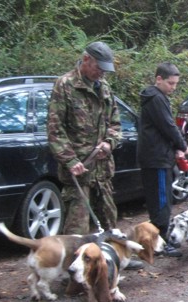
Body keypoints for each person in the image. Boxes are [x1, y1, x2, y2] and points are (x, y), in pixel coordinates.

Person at [48, 41, 121, 236]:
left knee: (109, 223)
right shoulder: (65, 85)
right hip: (78, 173)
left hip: (102, 170)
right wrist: (70, 160)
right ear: (86, 59)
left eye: (105, 70)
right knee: (76, 229)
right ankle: (73, 264)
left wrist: (109, 143)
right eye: (99, 68)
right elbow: (55, 130)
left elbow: (115, 124)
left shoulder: (104, 87)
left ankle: (114, 257)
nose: (102, 73)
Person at [138, 62, 188, 257]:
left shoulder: (158, 97)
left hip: (158, 155)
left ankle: (156, 238)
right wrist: (182, 145)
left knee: (160, 199)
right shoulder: (155, 99)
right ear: (158, 79)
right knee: (161, 201)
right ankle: (160, 239)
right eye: (170, 83)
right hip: (156, 158)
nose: (173, 88)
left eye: (176, 84)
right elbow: (168, 126)